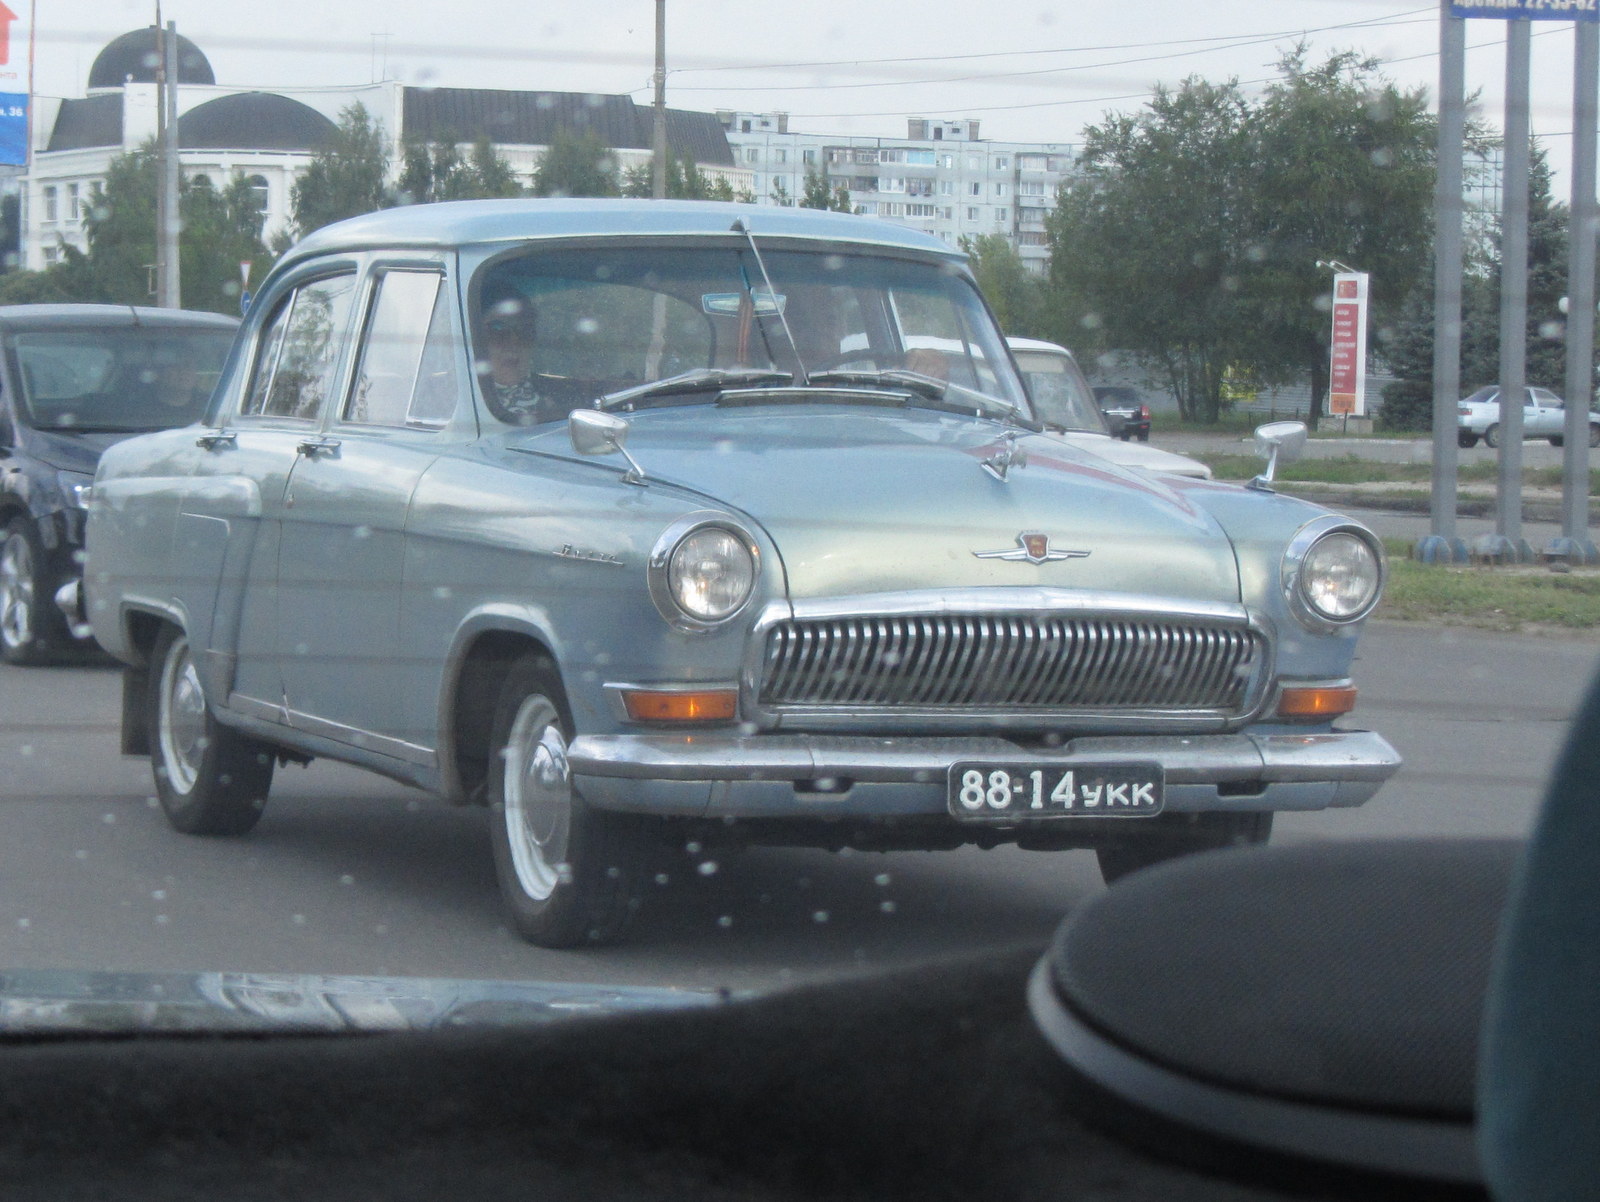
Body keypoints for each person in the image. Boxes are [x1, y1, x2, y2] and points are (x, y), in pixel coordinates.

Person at [479, 279, 545, 424]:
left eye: (525, 330)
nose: (514, 342)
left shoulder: (562, 397)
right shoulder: (444, 400)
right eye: (497, 329)